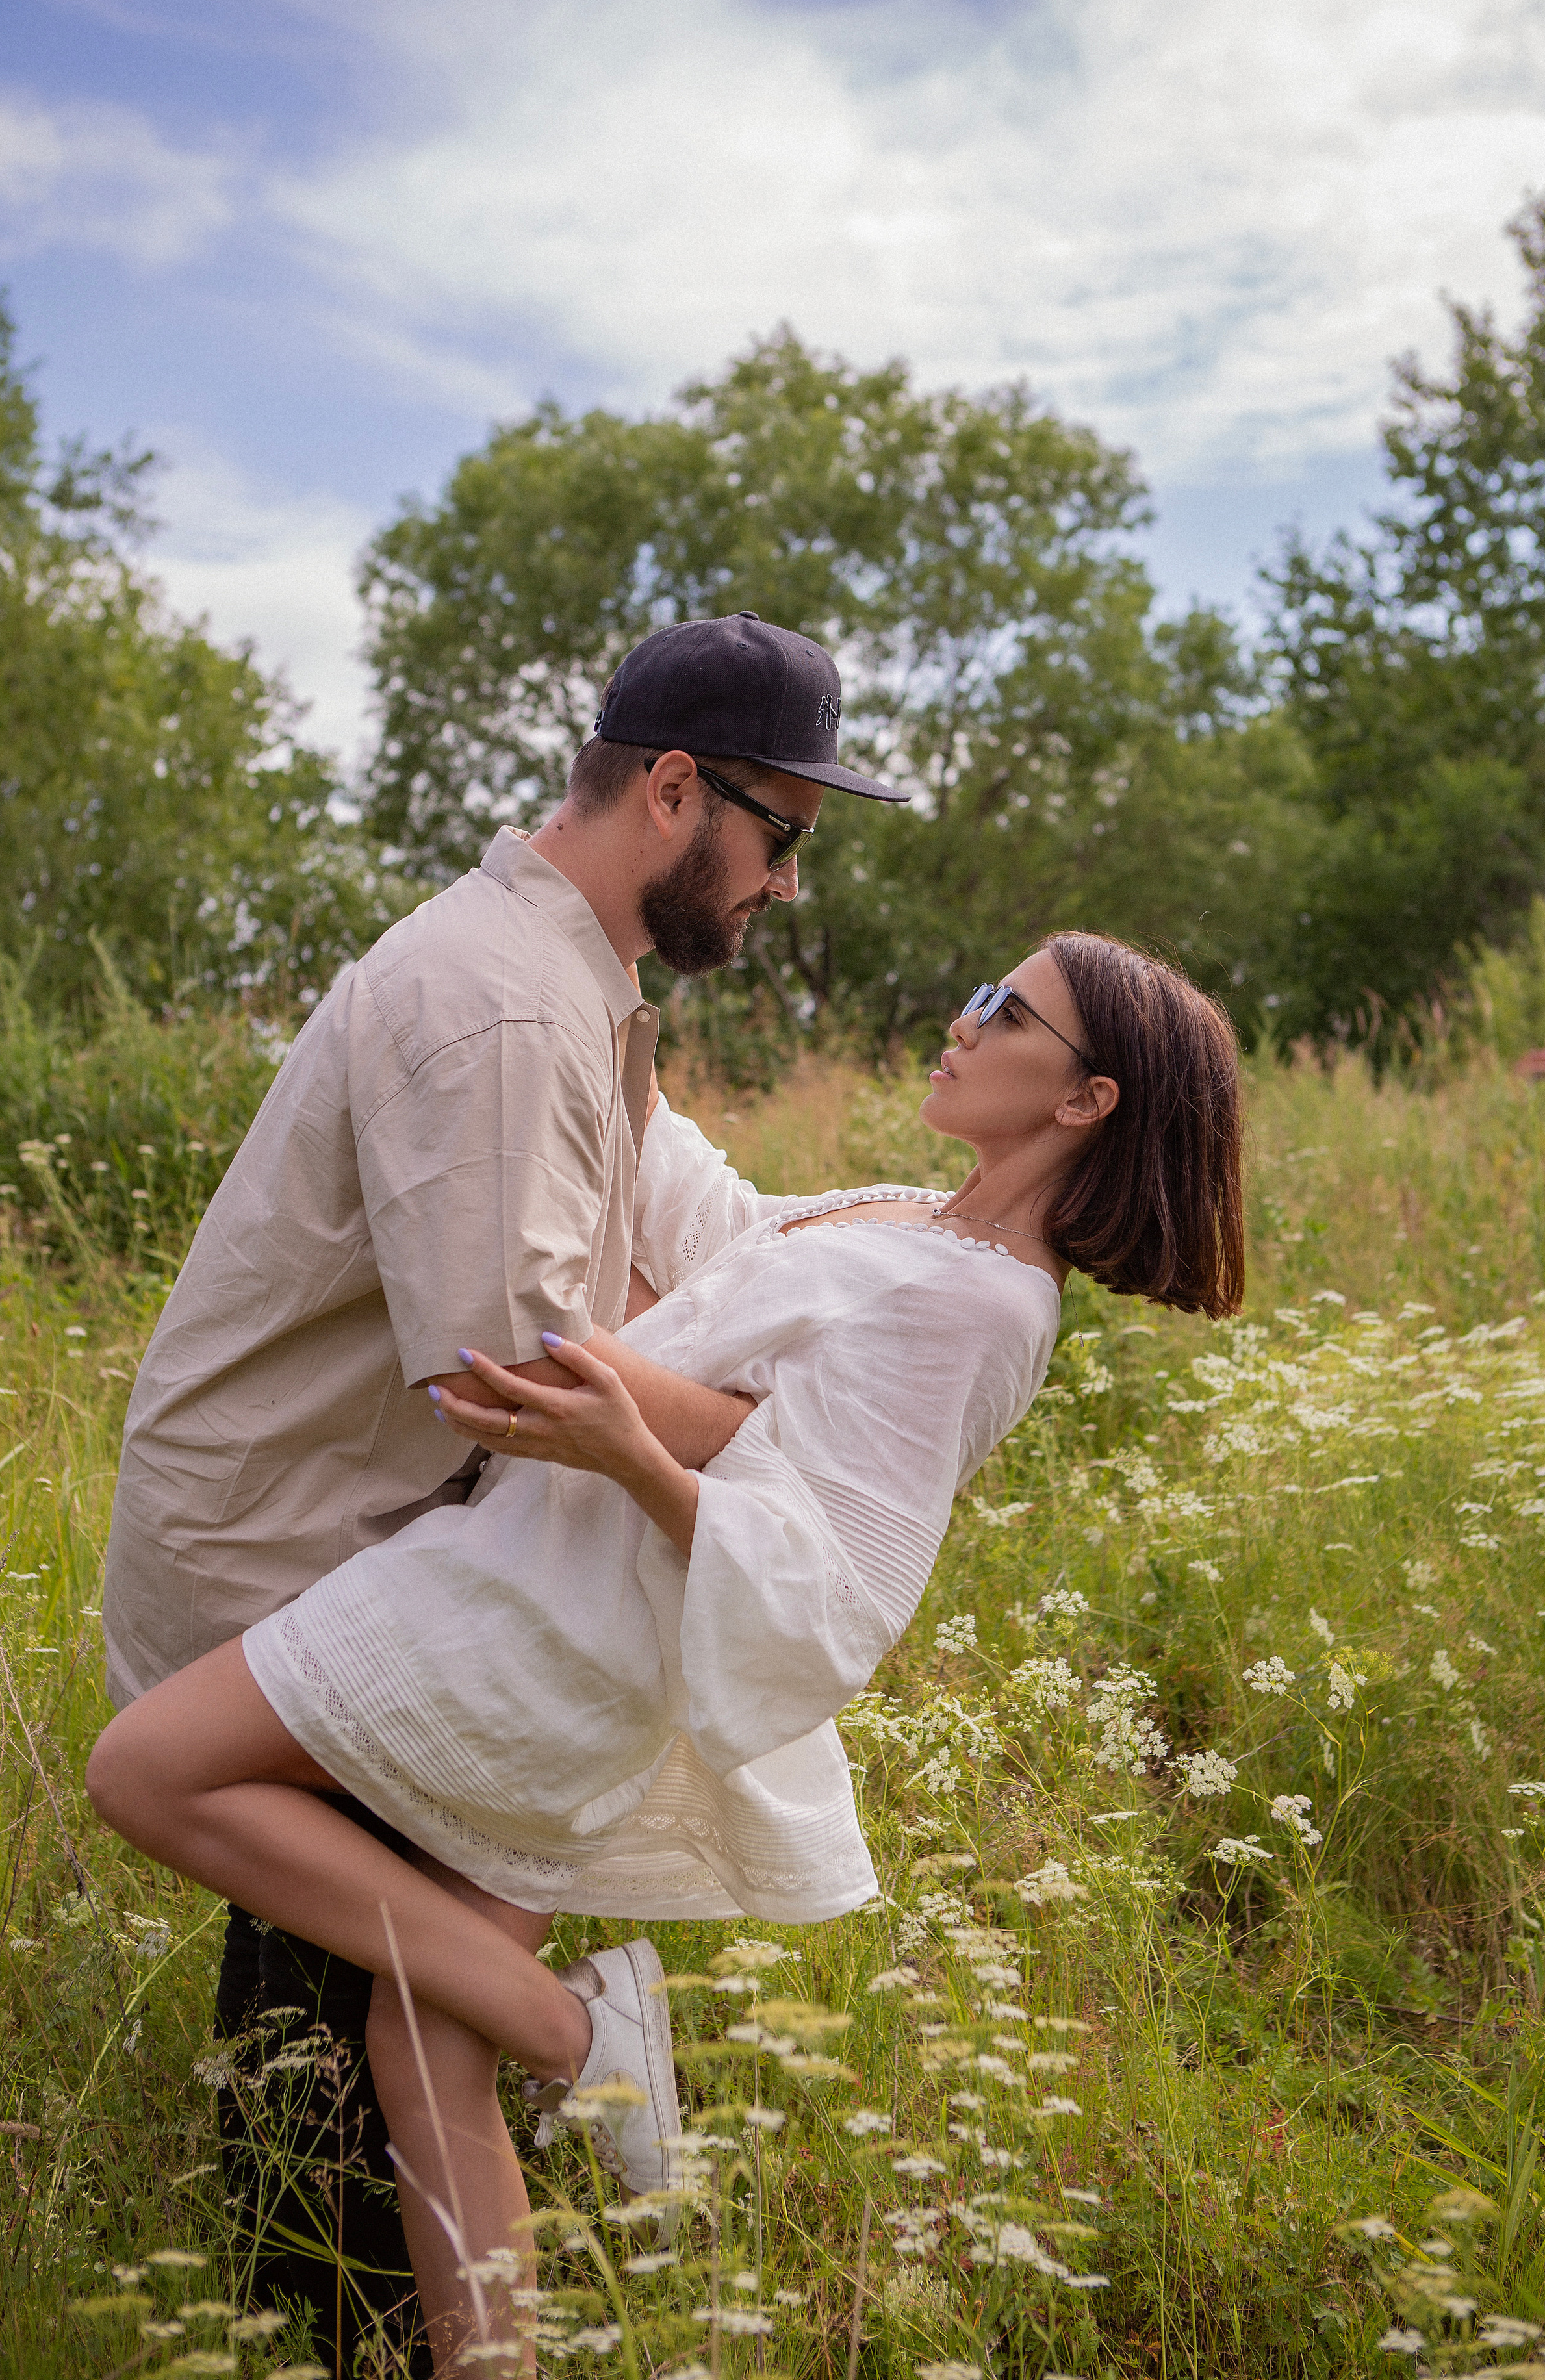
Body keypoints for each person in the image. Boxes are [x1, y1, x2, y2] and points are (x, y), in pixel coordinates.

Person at [88, 930, 1244, 2377]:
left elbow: (838, 1578)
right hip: (549, 1589)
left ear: (1085, 1101)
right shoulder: (905, 1217)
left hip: (543, 1635)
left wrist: (634, 1452)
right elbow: (712, 1231)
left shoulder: (985, 1303)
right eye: (972, 990)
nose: (957, 1019)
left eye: (1003, 1011)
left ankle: (577, 2041)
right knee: (420, 2047)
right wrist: (593, 984)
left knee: (149, 1771)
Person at [97, 609, 906, 2364]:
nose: (785, 884)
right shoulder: (500, 1003)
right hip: (293, 1550)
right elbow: (514, 1374)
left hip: (387, 1542)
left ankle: (394, 2309)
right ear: (678, 792)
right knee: (335, 2053)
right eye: (785, 834)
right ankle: (520, 2102)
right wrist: (770, 1453)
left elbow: (631, 1266)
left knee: (373, 2025)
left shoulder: (567, 979)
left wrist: (912, 1261)